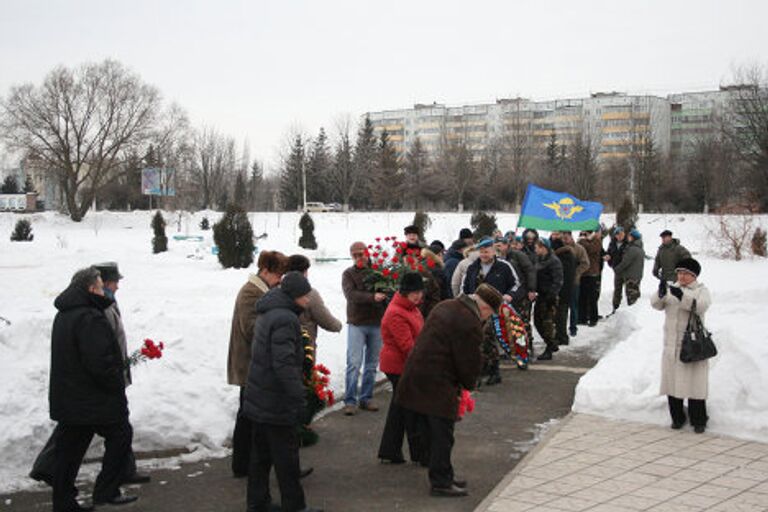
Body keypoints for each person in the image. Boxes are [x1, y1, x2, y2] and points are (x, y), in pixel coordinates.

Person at [30, 262, 150, 489]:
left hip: (96, 384)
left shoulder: (102, 304)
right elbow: (96, 353)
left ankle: (120, 471)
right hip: (95, 387)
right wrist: (113, 375)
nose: (117, 286)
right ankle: (58, 474)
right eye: (114, 282)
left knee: (84, 433)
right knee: (95, 432)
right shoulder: (93, 311)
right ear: (101, 284)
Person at [396, 284, 502, 498]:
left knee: (435, 432)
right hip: (438, 382)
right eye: (490, 314)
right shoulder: (469, 321)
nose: (487, 318)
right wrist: (469, 384)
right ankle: (441, 482)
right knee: (443, 435)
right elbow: (468, 360)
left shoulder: (447, 305)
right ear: (484, 308)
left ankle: (444, 474)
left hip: (418, 375)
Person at [49, 267, 137, 511]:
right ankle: (106, 491)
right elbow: (100, 362)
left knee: (69, 452)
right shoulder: (89, 317)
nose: (104, 291)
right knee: (120, 436)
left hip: (71, 396)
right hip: (93, 399)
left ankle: (63, 501)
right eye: (100, 286)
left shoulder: (66, 314)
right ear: (90, 289)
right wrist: (116, 384)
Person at [243, 272, 323, 512]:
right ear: (293, 296)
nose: (308, 299)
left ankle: (257, 503)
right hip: (275, 400)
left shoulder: (269, 312)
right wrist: (299, 396)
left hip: (260, 396)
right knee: (287, 459)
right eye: (305, 295)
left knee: (261, 455)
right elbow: (284, 364)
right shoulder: (285, 319)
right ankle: (295, 506)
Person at [227, 251, 288, 477]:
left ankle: (245, 464)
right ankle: (242, 465)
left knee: (250, 416)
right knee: (247, 416)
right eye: (277, 274)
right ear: (264, 270)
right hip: (248, 365)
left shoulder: (263, 290)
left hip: (255, 363)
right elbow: (252, 329)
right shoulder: (251, 293)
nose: (280, 279)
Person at [651, 258, 711, 434]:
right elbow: (657, 305)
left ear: (694, 275)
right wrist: (660, 293)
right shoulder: (673, 288)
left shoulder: (701, 290)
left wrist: (682, 297)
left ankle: (699, 419)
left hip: (692, 346)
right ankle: (677, 417)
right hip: (671, 345)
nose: (681, 276)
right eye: (679, 272)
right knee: (672, 383)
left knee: (695, 384)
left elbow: (701, 307)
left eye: (685, 273)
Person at [377, 273, 425, 464]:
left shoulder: (411, 308)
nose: (418, 296)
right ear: (405, 292)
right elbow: (407, 346)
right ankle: (418, 453)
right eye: (414, 292)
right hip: (399, 366)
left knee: (399, 409)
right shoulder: (396, 312)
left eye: (420, 292)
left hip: (406, 364)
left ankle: (390, 451)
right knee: (410, 409)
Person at [462, 236, 521, 384]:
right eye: (481, 252)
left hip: (495, 309)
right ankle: (481, 369)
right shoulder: (472, 267)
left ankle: (494, 371)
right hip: (475, 310)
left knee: (490, 340)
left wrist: (509, 295)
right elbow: (464, 287)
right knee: (476, 340)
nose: (484, 255)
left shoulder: (504, 266)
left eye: (486, 252)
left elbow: (516, 284)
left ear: (494, 251)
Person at [342, 242, 387, 415]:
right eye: (355, 255)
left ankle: (366, 397)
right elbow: (350, 295)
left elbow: (388, 289)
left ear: (367, 253)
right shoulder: (348, 274)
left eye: (361, 254)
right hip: (357, 323)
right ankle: (350, 400)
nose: (359, 258)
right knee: (354, 363)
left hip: (376, 322)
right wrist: (372, 297)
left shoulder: (378, 271)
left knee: (371, 363)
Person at [287, 255, 342, 348]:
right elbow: (325, 320)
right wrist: (338, 325)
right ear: (304, 272)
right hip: (304, 348)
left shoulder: (276, 291)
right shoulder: (310, 294)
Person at [533, 239, 563, 361]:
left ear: (543, 247)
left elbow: (558, 280)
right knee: (537, 322)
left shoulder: (554, 261)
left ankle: (549, 348)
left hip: (549, 297)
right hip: (540, 295)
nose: (535, 249)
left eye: (537, 247)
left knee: (547, 324)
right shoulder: (539, 259)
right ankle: (551, 343)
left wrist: (552, 295)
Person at [551, 235, 576, 347]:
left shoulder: (559, 258)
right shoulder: (569, 255)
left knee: (559, 315)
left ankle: (561, 337)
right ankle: (562, 336)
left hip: (561, 290)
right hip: (568, 289)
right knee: (563, 313)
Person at [562, 231, 589, 336]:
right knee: (562, 307)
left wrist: (576, 273)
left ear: (571, 237)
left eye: (566, 238)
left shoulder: (579, 249)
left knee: (573, 306)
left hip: (574, 282)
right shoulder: (560, 248)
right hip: (562, 282)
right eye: (563, 238)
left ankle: (573, 327)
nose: (565, 240)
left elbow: (585, 264)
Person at [613, 229, 645, 308]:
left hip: (631, 276)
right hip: (637, 275)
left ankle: (632, 315)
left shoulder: (632, 249)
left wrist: (617, 269)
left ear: (633, 237)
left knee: (632, 296)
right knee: (635, 294)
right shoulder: (640, 248)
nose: (628, 238)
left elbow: (625, 262)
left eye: (630, 236)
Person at [578, 231, 603, 326]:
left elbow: (590, 249)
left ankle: (593, 318)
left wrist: (583, 241)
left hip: (592, 273)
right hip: (583, 273)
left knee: (592, 297)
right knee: (582, 297)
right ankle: (582, 318)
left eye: (586, 233)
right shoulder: (582, 241)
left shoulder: (596, 241)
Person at [605, 227, 627, 313]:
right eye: (618, 234)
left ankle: (630, 309)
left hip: (626, 270)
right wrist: (609, 260)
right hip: (617, 270)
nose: (620, 236)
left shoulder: (628, 243)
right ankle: (615, 308)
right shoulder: (612, 243)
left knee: (628, 289)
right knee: (617, 290)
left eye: (621, 234)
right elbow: (609, 253)